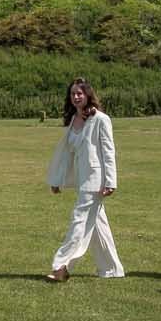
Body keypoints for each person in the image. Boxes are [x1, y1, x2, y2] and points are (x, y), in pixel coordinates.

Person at [45, 77, 124, 281]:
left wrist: (110, 182)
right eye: (72, 94)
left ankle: (61, 265)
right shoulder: (73, 120)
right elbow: (67, 154)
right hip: (82, 180)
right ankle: (112, 269)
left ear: (87, 95)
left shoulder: (101, 119)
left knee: (78, 221)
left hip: (95, 181)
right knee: (98, 225)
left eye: (79, 93)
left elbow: (108, 152)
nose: (76, 97)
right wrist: (57, 180)